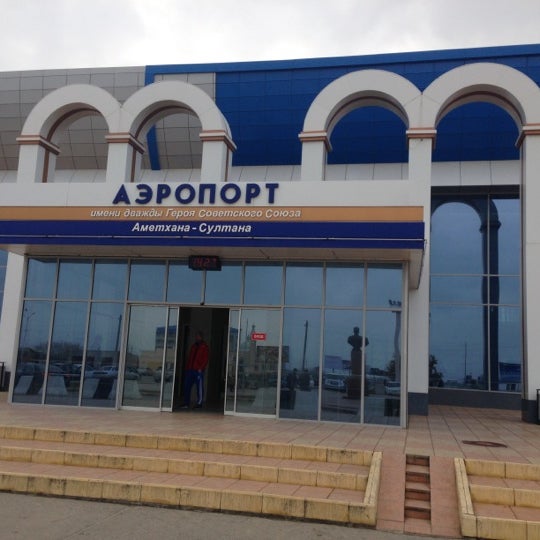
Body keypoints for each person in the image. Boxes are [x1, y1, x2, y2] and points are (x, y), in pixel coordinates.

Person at [181, 331, 209, 409]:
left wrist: (201, 368)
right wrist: (187, 368)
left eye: (197, 336)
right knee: (186, 386)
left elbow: (205, 359)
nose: (196, 337)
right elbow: (190, 358)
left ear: (201, 337)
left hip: (198, 371)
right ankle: (186, 403)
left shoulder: (204, 347)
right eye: (196, 336)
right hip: (190, 370)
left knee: (199, 387)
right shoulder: (193, 346)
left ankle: (199, 403)